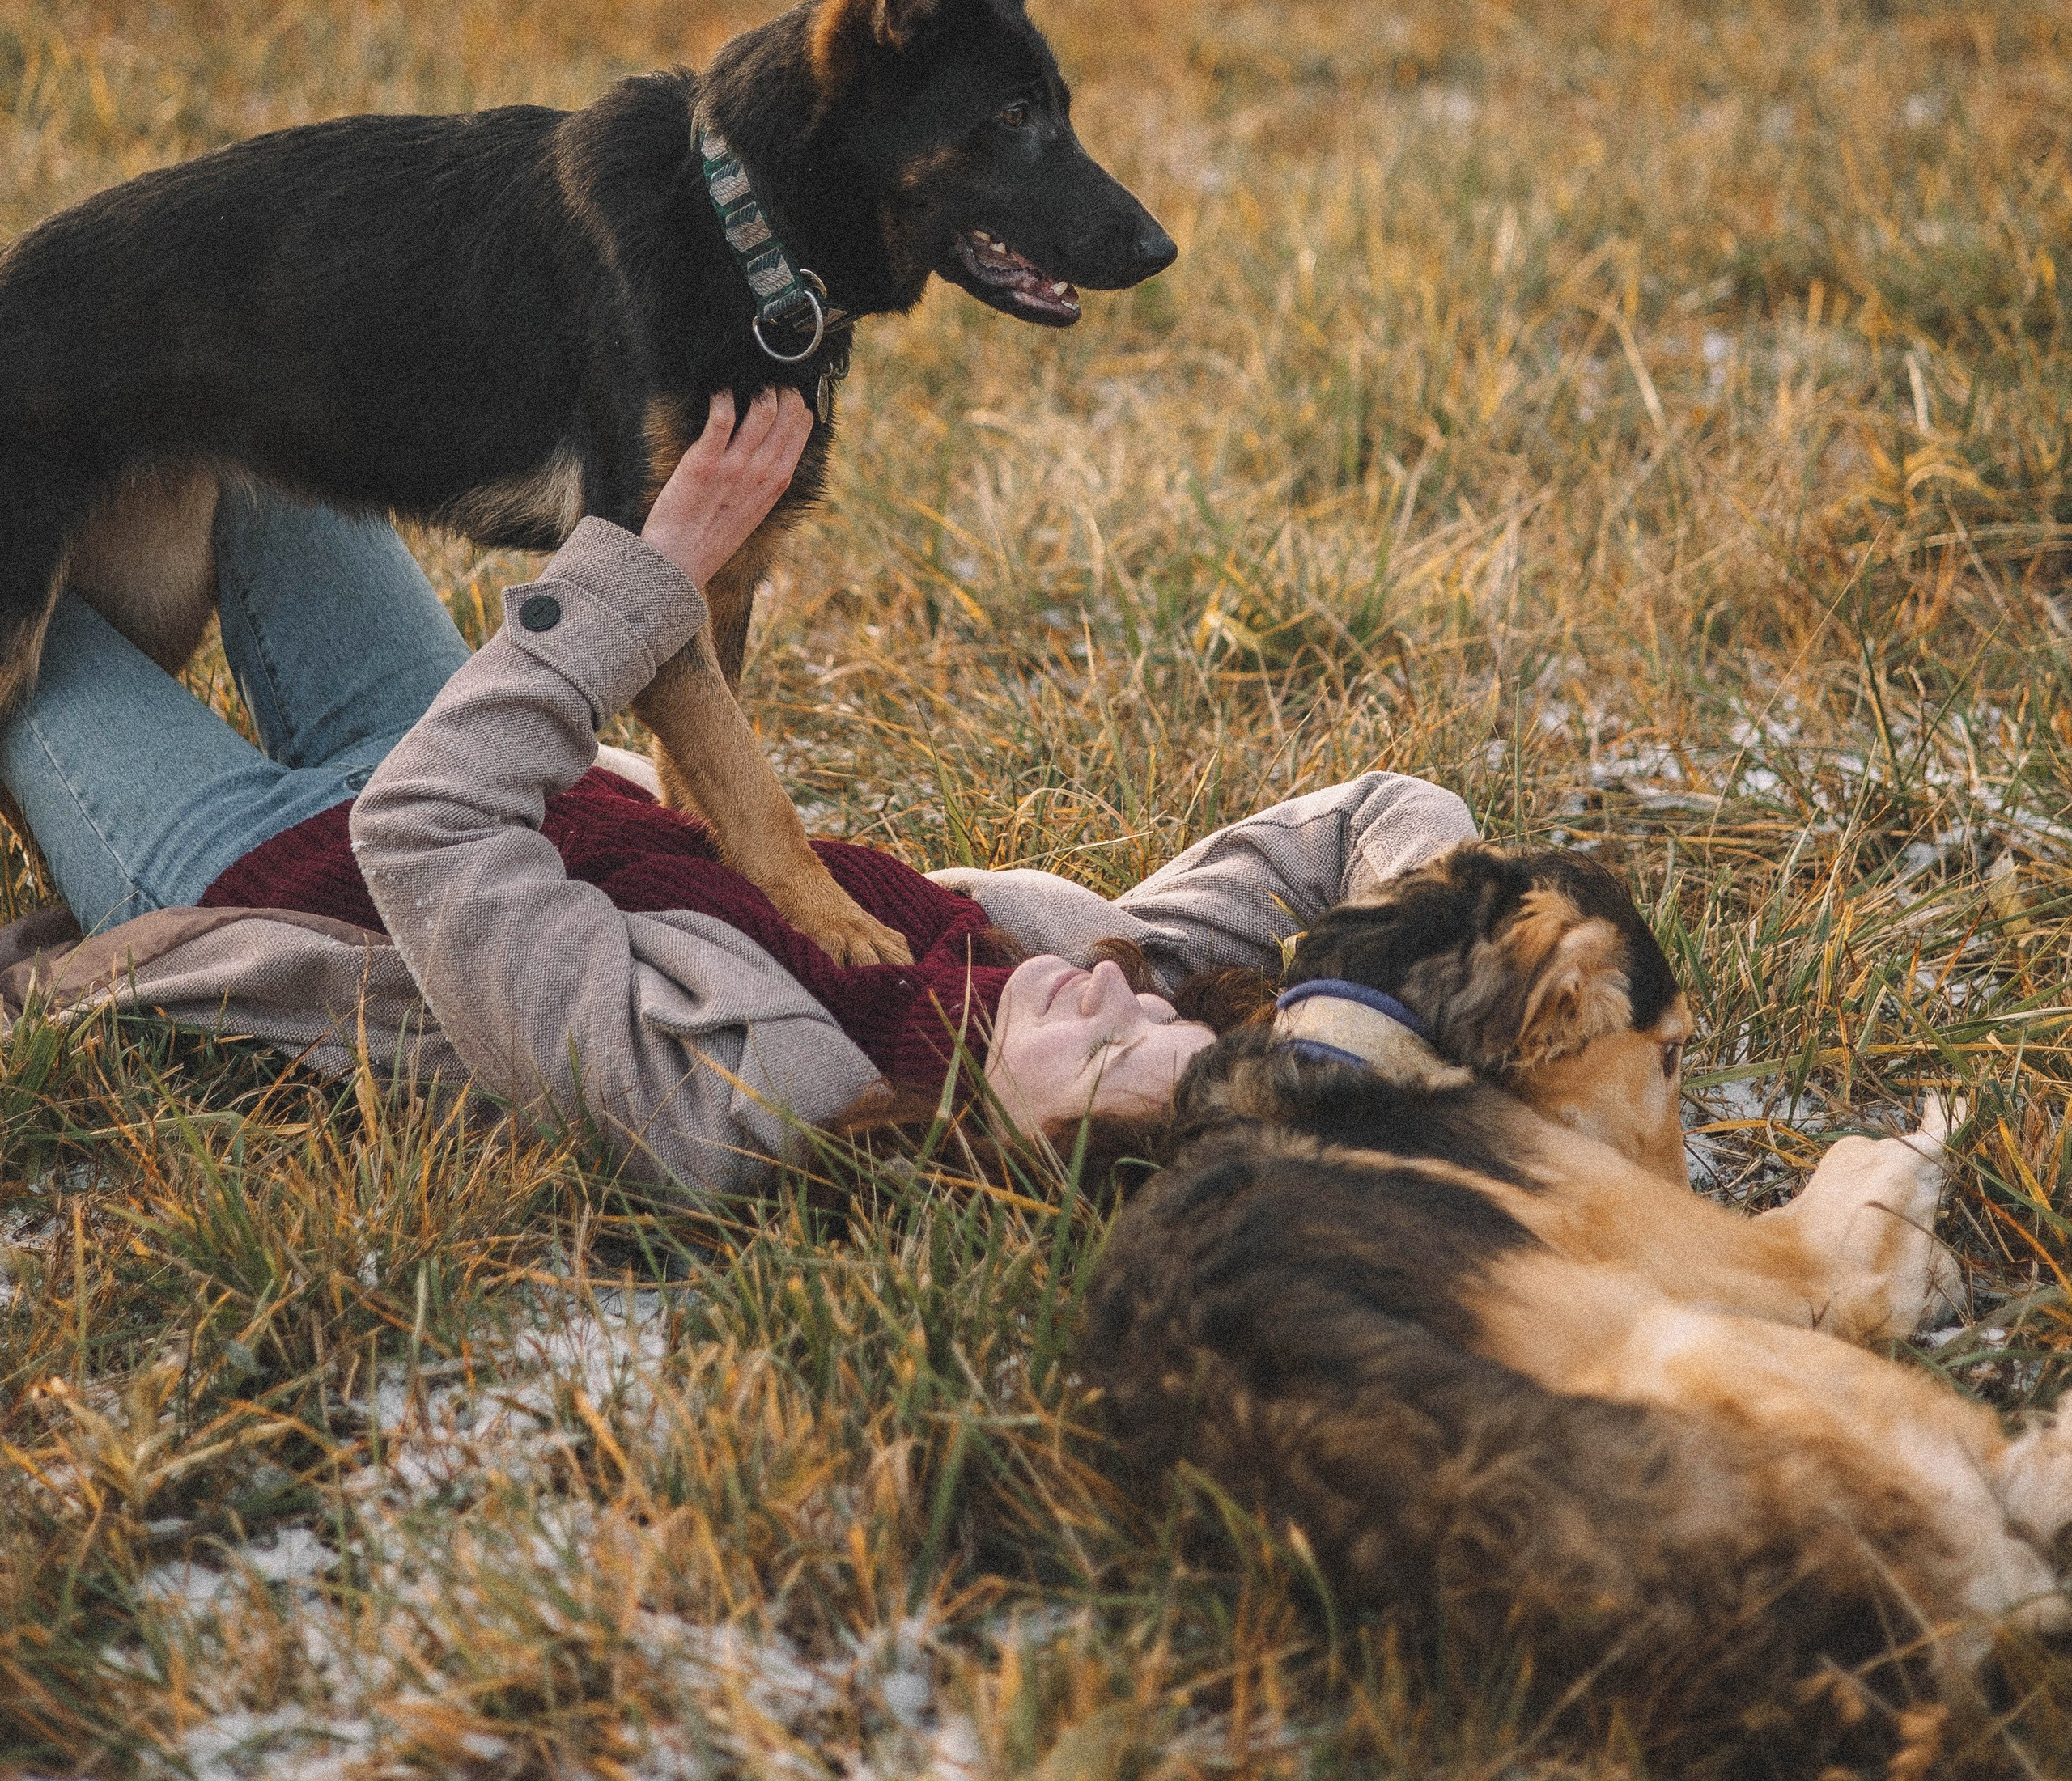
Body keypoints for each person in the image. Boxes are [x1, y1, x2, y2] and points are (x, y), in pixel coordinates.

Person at [0, 394, 1475, 1191]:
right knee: (229, 403)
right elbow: (1364, 818)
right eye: (1164, 1015)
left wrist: (666, 564)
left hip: (257, 865)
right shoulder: (1041, 978)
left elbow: (426, 837)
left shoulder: (737, 1118)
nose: (1117, 996)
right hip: (446, 735)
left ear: (1040, 1172)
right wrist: (1432, 1005)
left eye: (1115, 1062)